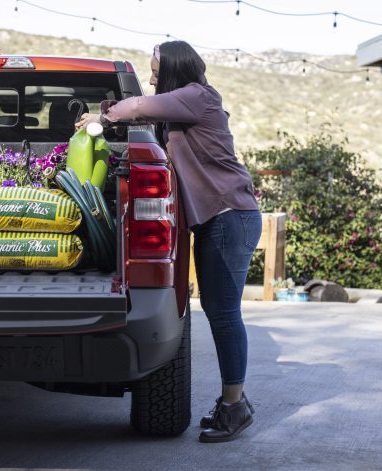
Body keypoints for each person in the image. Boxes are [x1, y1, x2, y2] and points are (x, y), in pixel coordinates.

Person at [76, 40, 261, 443]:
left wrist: (101, 115)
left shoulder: (199, 97)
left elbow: (139, 106)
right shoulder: (184, 108)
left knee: (225, 312)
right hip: (218, 220)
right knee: (217, 309)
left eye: (157, 69)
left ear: (175, 68)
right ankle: (234, 402)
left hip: (231, 216)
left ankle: (235, 406)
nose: (152, 76)